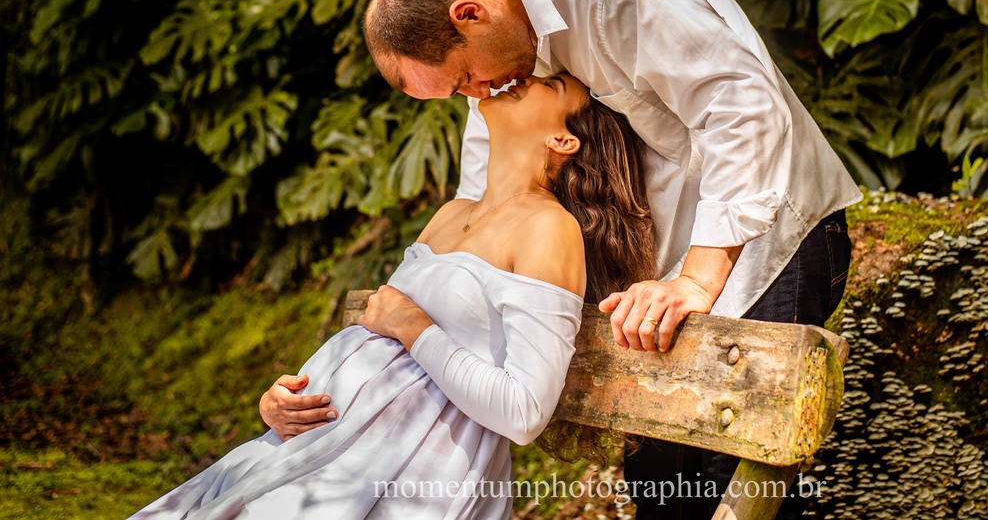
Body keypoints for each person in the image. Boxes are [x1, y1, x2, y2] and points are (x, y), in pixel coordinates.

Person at [268, 0, 861, 518]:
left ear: (469, 14)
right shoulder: (501, 71)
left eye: (466, 79)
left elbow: (741, 103)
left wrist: (695, 281)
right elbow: (485, 217)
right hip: (652, 273)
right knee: (660, 483)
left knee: (730, 474)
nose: (478, 96)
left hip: (764, 241)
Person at [128, 74, 657, 520]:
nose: (527, 77)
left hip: (403, 468)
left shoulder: (549, 228)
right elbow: (381, 341)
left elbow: (523, 412)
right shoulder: (452, 214)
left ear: (563, 141)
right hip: (323, 448)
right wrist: (281, 406)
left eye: (551, 84)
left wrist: (413, 327)